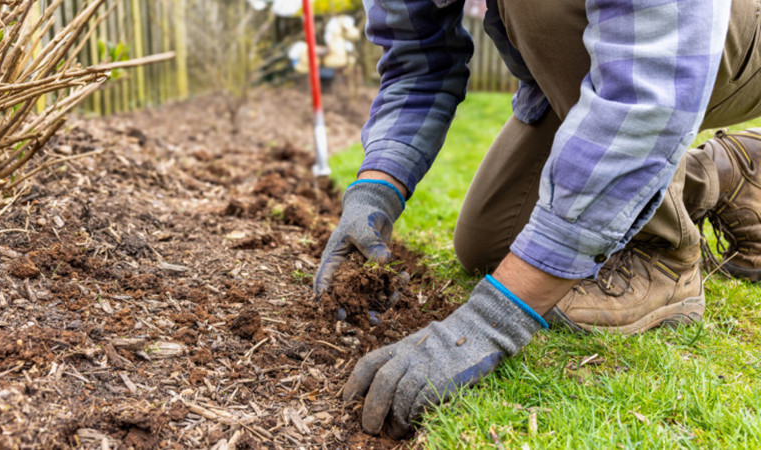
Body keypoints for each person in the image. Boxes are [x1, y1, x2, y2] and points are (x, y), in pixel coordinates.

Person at [314, 0, 761, 438]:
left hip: (706, 39)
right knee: (489, 245)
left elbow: (651, 92)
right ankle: (721, 172)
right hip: (607, 60)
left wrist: (490, 322)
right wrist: (375, 191)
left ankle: (662, 253)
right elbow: (418, 62)